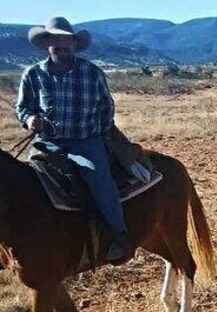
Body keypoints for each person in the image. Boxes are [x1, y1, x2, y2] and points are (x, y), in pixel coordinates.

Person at [15, 17, 132, 263]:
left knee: (98, 177)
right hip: (47, 143)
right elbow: (23, 108)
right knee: (22, 183)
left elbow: (106, 107)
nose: (60, 44)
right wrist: (29, 120)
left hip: (85, 142)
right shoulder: (33, 74)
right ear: (47, 43)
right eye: (55, 40)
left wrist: (99, 134)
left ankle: (118, 235)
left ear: (74, 44)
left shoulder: (92, 72)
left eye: (65, 40)